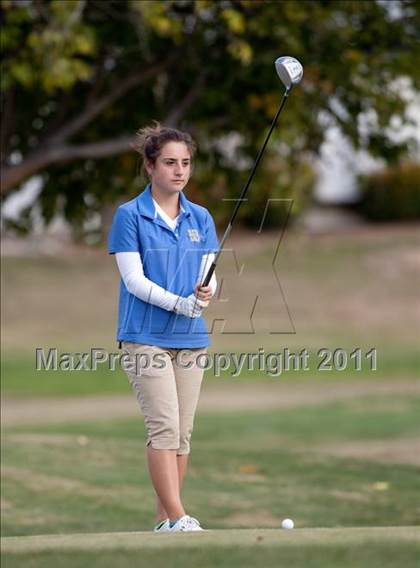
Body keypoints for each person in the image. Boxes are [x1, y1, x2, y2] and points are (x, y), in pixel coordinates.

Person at [108, 122, 218, 532]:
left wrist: (204, 295)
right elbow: (133, 280)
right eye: (170, 162)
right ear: (150, 166)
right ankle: (178, 516)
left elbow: (209, 272)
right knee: (164, 427)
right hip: (144, 337)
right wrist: (180, 303)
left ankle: (164, 523)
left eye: (185, 163)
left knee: (183, 433)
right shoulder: (129, 216)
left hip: (191, 339)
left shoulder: (200, 217)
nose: (179, 171)